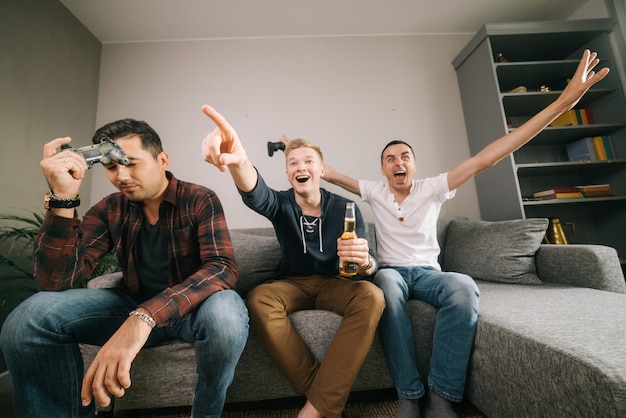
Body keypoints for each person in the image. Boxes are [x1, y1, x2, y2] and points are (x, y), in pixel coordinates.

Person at [319, 49, 609, 418]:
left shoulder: (433, 187)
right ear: (382, 169)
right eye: (390, 158)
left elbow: (488, 157)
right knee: (386, 285)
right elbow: (326, 172)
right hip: (390, 271)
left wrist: (562, 103)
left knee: (463, 286)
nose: (398, 162)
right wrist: (298, 155)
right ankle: (409, 394)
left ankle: (441, 396)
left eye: (405, 155)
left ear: (414, 164)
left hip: (428, 275)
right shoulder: (375, 191)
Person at [0, 119, 249, 418]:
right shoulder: (110, 208)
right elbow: (55, 281)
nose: (122, 176)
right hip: (131, 302)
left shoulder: (199, 198)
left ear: (162, 160)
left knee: (226, 315)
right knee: (28, 319)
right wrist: (63, 198)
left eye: (131, 163)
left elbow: (221, 268)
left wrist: (144, 317)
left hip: (194, 311)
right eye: (112, 167)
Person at [200, 106, 386, 418]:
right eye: (293, 163)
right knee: (258, 298)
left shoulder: (345, 207)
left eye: (308, 161)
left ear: (321, 170)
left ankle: (314, 408)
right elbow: (255, 191)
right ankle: (323, 399)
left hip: (336, 283)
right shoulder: (281, 203)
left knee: (373, 295)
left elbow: (370, 265)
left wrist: (366, 262)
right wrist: (239, 160)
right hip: (293, 284)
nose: (301, 166)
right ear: (288, 173)